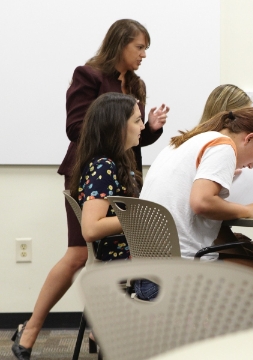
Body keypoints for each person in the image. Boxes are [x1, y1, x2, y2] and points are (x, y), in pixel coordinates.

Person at [11, 19, 168, 359]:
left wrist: (151, 127)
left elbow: (133, 138)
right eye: (139, 47)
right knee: (79, 253)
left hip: (121, 173)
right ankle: (32, 328)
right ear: (120, 44)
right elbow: (77, 127)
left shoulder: (136, 83)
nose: (143, 55)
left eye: (145, 49)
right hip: (91, 171)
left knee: (105, 251)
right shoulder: (90, 75)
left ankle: (103, 330)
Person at [12, 93, 143, 359]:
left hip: (128, 259)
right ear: (118, 126)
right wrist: (139, 218)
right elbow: (91, 228)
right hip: (124, 261)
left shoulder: (118, 163)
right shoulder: (104, 167)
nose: (143, 126)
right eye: (138, 120)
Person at [136, 107, 253, 301]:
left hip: (145, 274)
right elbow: (202, 202)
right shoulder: (223, 146)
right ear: (249, 138)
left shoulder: (184, 142)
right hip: (178, 276)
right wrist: (249, 209)